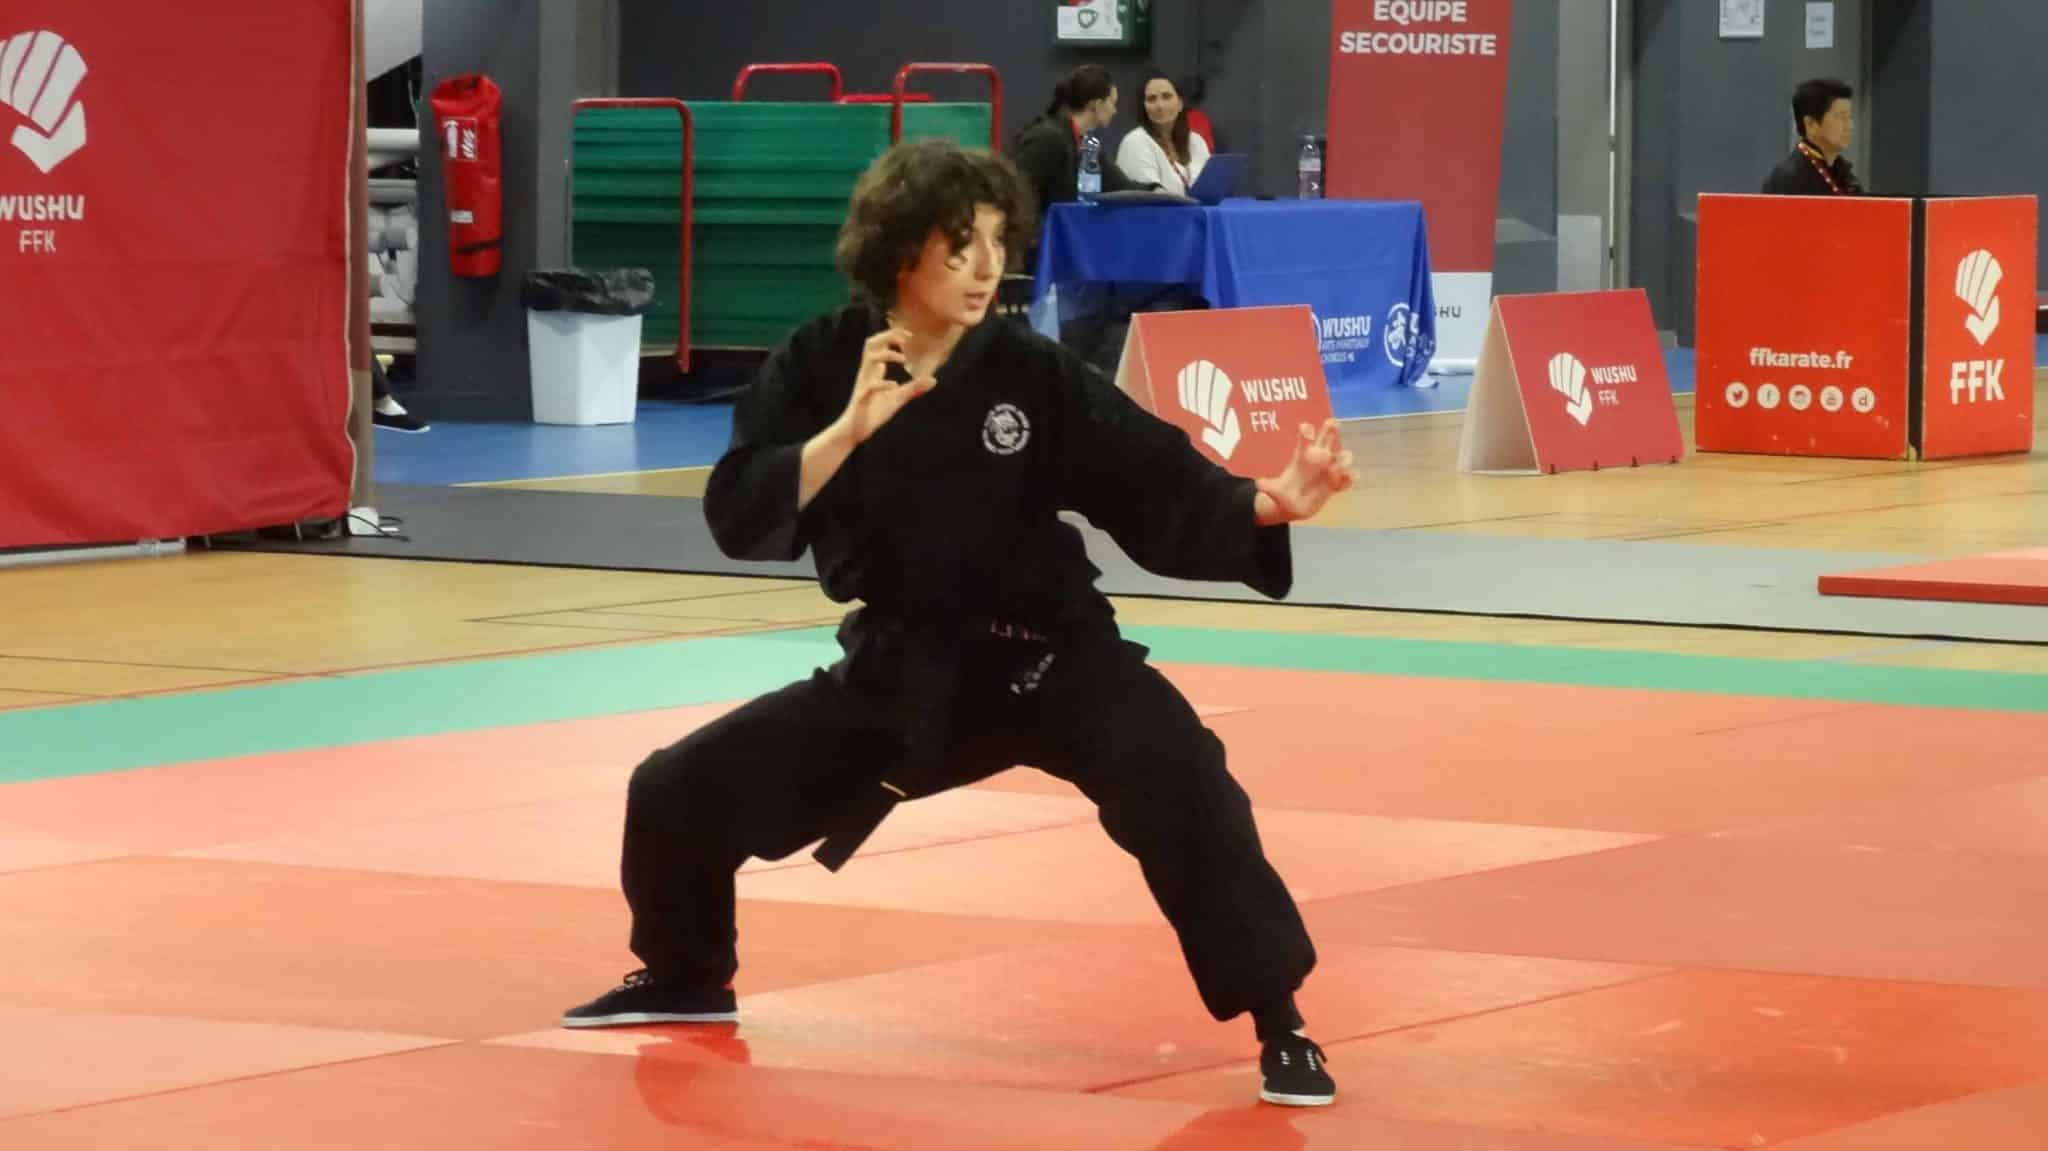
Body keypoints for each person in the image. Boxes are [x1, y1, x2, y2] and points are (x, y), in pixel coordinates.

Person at [560, 138, 1357, 1109]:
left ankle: (1280, 1019)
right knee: (675, 789)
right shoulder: (820, 362)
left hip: (1053, 659)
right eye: (959, 244)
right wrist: (847, 430)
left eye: (995, 242)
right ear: (899, 251)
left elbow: (1146, 476)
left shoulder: (1027, 370)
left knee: (1183, 776)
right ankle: (688, 972)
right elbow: (738, 511)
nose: (986, 266)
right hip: (907, 672)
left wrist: (1263, 505)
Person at [1011, 64, 1147, 225]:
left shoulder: (1088, 145)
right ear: (1096, 105)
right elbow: (1018, 199)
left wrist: (1158, 192)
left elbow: (1121, 186)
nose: (1115, 110)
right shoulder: (1045, 139)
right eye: (1112, 102)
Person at [1116, 71, 1212, 198]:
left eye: (1166, 97)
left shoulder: (1196, 141)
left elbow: (1210, 187)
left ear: (1180, 104)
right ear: (1144, 107)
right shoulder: (1134, 142)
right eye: (1151, 99)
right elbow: (1148, 196)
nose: (1160, 106)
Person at [1763, 77, 1862, 196]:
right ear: (1811, 125)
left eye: (1849, 117)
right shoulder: (1788, 179)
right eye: (1841, 117)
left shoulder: (1846, 177)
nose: (1850, 126)